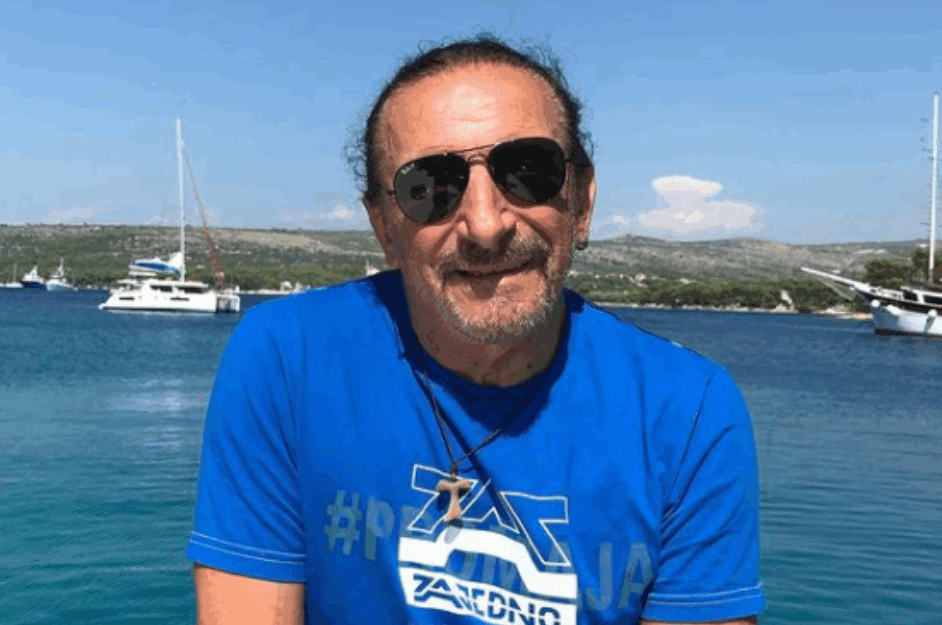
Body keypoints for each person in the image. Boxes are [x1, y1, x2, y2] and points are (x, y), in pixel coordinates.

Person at [186, 35, 766, 625]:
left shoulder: (686, 413)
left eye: (528, 173)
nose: (486, 225)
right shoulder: (289, 359)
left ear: (582, 203)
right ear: (384, 228)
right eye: (430, 188)